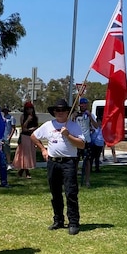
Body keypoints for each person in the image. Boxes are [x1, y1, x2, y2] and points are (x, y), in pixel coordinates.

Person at [30, 98, 85, 235]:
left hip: (69, 162)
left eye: (62, 110)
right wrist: (43, 149)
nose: (60, 112)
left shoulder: (73, 126)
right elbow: (33, 136)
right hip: (53, 162)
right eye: (57, 110)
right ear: (54, 112)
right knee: (55, 193)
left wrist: (68, 135)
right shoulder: (49, 125)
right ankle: (58, 220)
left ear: (67, 112)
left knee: (71, 192)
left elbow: (82, 144)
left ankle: (73, 222)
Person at [74, 97, 99, 187]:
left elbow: (96, 126)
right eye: (82, 104)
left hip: (87, 140)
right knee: (75, 161)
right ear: (79, 105)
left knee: (88, 161)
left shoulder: (90, 115)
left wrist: (90, 117)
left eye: (85, 104)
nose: (83, 105)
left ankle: (87, 180)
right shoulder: (76, 115)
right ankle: (75, 180)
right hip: (77, 140)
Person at [13, 101, 38, 178]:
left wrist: (34, 129)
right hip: (25, 137)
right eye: (27, 109)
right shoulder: (23, 117)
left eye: (31, 109)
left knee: (30, 153)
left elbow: (37, 127)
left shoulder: (35, 117)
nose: (29, 110)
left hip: (32, 136)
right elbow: (23, 128)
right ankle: (27, 172)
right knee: (25, 154)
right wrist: (27, 120)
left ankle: (21, 171)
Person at [1, 107, 16, 171]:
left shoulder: (11, 118)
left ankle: (9, 163)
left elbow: (13, 128)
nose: (5, 111)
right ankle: (3, 163)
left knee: (7, 150)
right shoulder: (1, 117)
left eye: (6, 110)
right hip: (1, 136)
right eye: (4, 110)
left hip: (7, 135)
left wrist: (10, 136)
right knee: (1, 150)